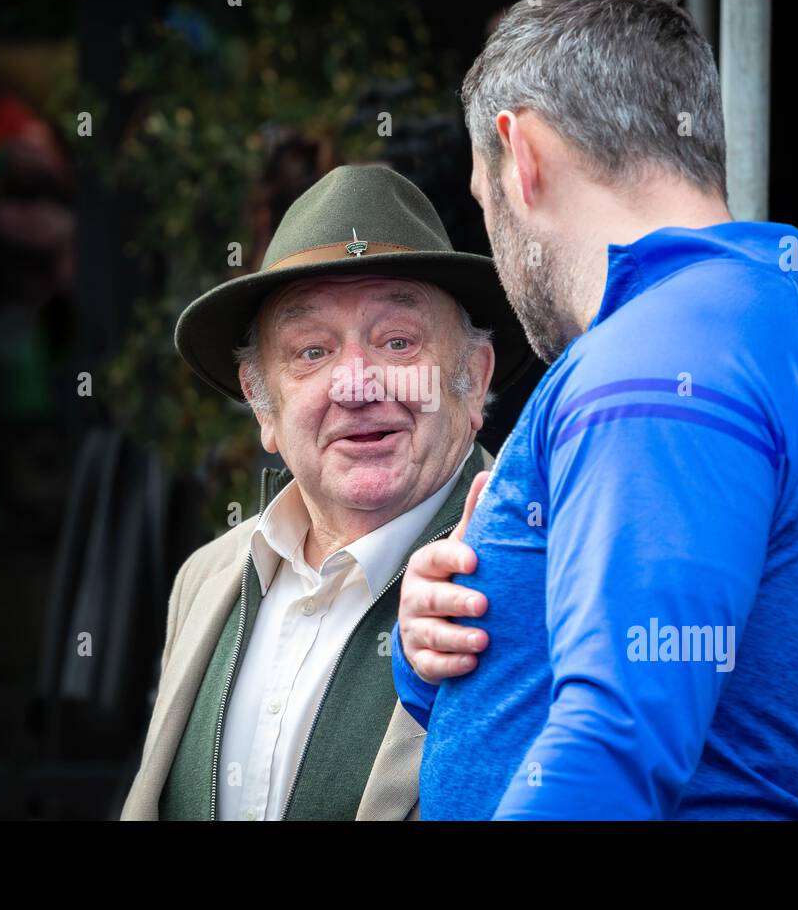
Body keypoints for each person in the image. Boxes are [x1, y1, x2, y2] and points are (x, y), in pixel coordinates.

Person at [391, 0, 798, 820]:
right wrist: (439, 639)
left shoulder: (660, 356)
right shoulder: (783, 331)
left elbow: (614, 745)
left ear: (522, 156)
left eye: (484, 205)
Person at [121, 164, 533, 819]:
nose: (355, 384)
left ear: (474, 378)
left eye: (397, 341)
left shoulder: (543, 573)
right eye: (310, 352)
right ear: (263, 405)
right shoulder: (204, 582)